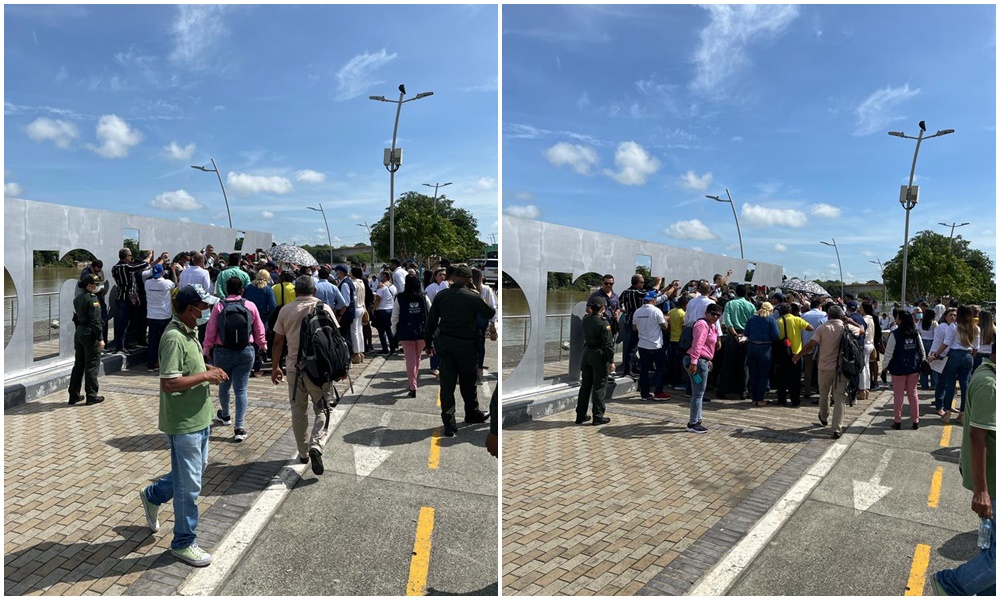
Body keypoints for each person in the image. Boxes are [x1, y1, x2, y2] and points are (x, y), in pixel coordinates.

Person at [138, 284, 228, 567]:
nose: (206, 312)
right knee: (190, 487)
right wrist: (205, 377)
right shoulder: (173, 337)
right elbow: (169, 383)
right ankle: (183, 542)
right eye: (203, 308)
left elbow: (193, 367)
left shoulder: (191, 332)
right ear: (190, 310)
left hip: (201, 416)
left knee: (193, 473)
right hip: (184, 422)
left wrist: (207, 370)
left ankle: (153, 494)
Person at [931, 338, 995, 596]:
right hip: (992, 481)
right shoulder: (989, 384)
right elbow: (977, 437)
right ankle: (952, 584)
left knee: (991, 550)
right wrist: (981, 491)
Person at [270, 276, 340, 475]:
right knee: (324, 409)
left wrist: (275, 366)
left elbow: (277, 342)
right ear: (314, 290)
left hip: (294, 368)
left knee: (298, 410)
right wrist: (340, 368)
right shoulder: (324, 308)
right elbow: (336, 338)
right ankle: (316, 445)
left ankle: (303, 452)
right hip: (319, 369)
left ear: (295, 291)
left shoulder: (286, 310)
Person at [424, 264, 494, 437]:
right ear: (470, 280)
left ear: (453, 278)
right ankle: (472, 414)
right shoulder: (472, 296)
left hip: (446, 344)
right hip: (467, 346)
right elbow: (489, 313)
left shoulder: (442, 295)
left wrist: (428, 343)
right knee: (468, 383)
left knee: (447, 385)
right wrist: (476, 294)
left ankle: (449, 423)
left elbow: (431, 322)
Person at [204, 277, 267, 443]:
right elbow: (259, 327)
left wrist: (206, 349)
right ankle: (239, 427)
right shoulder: (250, 305)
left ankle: (225, 415)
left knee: (224, 385)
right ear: (242, 290)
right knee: (241, 389)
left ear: (226, 289)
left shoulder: (219, 306)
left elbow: (211, 329)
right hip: (245, 351)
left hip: (222, 351)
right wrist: (262, 345)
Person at [793, 305, 861, 439]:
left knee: (824, 394)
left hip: (824, 367)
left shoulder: (822, 328)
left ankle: (823, 417)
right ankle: (836, 428)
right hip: (842, 368)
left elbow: (811, 345)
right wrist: (849, 320)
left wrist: (797, 356)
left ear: (828, 315)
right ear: (841, 316)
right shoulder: (846, 328)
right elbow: (862, 330)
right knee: (840, 397)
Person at [929, 305, 979, 423]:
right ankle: (963, 413)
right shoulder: (975, 328)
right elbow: (976, 348)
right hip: (968, 355)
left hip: (954, 355)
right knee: (964, 384)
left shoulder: (954, 326)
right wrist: (971, 357)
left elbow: (946, 343)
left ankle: (947, 412)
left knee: (950, 384)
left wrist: (936, 354)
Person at [575, 295, 615, 426]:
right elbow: (609, 345)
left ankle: (580, 415)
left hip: (587, 354)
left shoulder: (586, 320)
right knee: (599, 386)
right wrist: (611, 361)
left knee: (585, 386)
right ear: (603, 308)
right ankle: (597, 416)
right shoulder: (604, 323)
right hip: (599, 355)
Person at [883, 311, 926, 430]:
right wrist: (923, 362)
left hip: (898, 368)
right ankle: (915, 420)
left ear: (900, 320)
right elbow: (922, 350)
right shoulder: (915, 334)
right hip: (913, 367)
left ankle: (897, 421)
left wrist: (884, 366)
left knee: (898, 395)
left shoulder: (895, 334)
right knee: (913, 393)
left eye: (897, 317)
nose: (895, 319)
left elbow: (889, 353)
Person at [69, 274, 107, 405]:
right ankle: (91, 395)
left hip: (79, 332)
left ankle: (73, 395)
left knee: (78, 365)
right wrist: (100, 338)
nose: (98, 287)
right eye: (96, 284)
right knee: (91, 365)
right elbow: (96, 321)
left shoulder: (78, 298)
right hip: (89, 334)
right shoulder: (93, 300)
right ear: (89, 285)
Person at [391, 274, 431, 397]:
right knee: (417, 358)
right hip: (421, 332)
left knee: (410, 359)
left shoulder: (400, 298)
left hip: (405, 332)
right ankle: (413, 382)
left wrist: (394, 331)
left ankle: (412, 385)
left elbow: (395, 316)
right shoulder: (424, 297)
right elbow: (430, 313)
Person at [685, 303, 722, 433]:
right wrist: (694, 362)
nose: (715, 317)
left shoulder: (710, 325)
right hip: (697, 361)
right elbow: (698, 344)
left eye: (718, 315)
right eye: (713, 314)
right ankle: (693, 422)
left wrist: (708, 359)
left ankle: (697, 419)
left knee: (699, 391)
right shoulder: (702, 325)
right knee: (698, 393)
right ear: (706, 313)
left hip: (702, 360)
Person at [111, 248, 156, 353]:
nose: (132, 257)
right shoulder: (126, 267)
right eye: (130, 255)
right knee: (124, 323)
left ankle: (124, 344)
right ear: (126, 257)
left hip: (119, 297)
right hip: (126, 299)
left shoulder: (115, 267)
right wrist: (149, 256)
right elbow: (143, 265)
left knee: (125, 323)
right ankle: (120, 346)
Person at [718, 284, 755, 400]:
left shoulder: (730, 304)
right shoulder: (751, 306)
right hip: (745, 334)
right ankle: (743, 390)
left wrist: (734, 334)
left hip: (732, 334)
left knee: (727, 363)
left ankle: (722, 390)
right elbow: (752, 322)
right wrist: (744, 335)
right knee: (743, 364)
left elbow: (728, 321)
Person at [772, 304, 813, 407]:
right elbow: (810, 328)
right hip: (796, 352)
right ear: (790, 310)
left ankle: (781, 400)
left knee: (782, 377)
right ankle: (795, 400)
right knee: (795, 378)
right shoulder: (796, 319)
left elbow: (774, 336)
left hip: (783, 352)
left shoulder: (778, 321)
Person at [633, 290, 670, 401]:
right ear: (654, 300)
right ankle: (658, 392)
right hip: (656, 345)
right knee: (660, 369)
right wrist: (666, 319)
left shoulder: (637, 311)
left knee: (644, 370)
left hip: (642, 344)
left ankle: (645, 394)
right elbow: (664, 327)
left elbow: (634, 328)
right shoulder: (656, 311)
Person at [243, 269, 277, 376]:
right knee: (260, 341)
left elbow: (243, 300)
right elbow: (273, 306)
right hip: (262, 318)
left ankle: (248, 365)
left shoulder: (249, 287)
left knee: (249, 340)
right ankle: (257, 367)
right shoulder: (267, 289)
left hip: (248, 316)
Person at [745, 302, 779, 407]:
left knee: (753, 374)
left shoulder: (751, 318)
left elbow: (746, 333)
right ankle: (760, 399)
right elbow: (776, 334)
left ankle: (754, 398)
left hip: (752, 347)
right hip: (765, 348)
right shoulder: (771, 319)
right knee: (763, 375)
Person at [145, 264, 177, 372]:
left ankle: (150, 364)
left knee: (152, 341)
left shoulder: (147, 283)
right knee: (165, 341)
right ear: (162, 272)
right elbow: (175, 284)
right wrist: (172, 270)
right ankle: (164, 363)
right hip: (164, 316)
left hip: (151, 315)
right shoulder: (167, 283)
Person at [618, 273, 648, 377]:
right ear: (638, 283)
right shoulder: (638, 293)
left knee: (633, 346)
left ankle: (633, 367)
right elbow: (654, 294)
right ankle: (628, 370)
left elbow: (618, 303)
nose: (643, 284)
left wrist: (625, 311)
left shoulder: (626, 292)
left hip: (628, 321)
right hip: (636, 323)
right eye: (642, 282)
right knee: (633, 347)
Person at [471, 267, 498, 378]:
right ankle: (479, 368)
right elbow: (493, 306)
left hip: (470, 319)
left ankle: (470, 367)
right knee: (480, 344)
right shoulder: (486, 289)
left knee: (469, 344)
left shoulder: (467, 289)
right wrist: (493, 321)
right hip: (482, 319)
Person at [801, 298, 829, 401]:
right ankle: (819, 388)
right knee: (820, 369)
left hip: (807, 344)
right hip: (820, 345)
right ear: (819, 306)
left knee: (808, 370)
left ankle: (807, 390)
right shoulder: (824, 315)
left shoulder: (804, 315)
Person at [78, 260, 110, 346]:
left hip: (100, 298)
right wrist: (98, 289)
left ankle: (104, 343)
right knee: (94, 321)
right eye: (96, 271)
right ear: (91, 267)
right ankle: (96, 343)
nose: (97, 272)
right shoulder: (85, 273)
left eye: (99, 270)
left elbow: (101, 280)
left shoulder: (99, 272)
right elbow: (81, 284)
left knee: (104, 320)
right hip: (92, 299)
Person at [666, 294, 689, 391]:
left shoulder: (671, 312)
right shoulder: (683, 314)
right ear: (685, 304)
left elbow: (669, 326)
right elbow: (684, 329)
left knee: (672, 362)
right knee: (679, 364)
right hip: (680, 341)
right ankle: (678, 382)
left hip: (672, 339)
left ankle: (671, 381)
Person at [373, 271, 397, 354]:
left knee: (381, 331)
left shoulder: (381, 286)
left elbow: (378, 299)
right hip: (391, 309)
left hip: (382, 310)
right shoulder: (393, 287)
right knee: (389, 331)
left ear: (385, 276)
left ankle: (385, 349)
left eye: (381, 276)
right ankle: (393, 348)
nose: (380, 277)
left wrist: (373, 309)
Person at [917, 309, 939, 391]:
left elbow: (917, 331)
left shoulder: (920, 322)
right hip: (932, 343)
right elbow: (937, 334)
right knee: (933, 365)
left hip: (922, 342)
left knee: (923, 364)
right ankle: (934, 384)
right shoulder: (934, 323)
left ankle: (924, 384)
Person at [350, 266, 368, 364]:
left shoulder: (354, 283)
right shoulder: (362, 282)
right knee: (359, 330)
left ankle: (356, 353)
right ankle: (361, 351)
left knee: (354, 331)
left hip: (356, 307)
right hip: (362, 307)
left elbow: (353, 297)